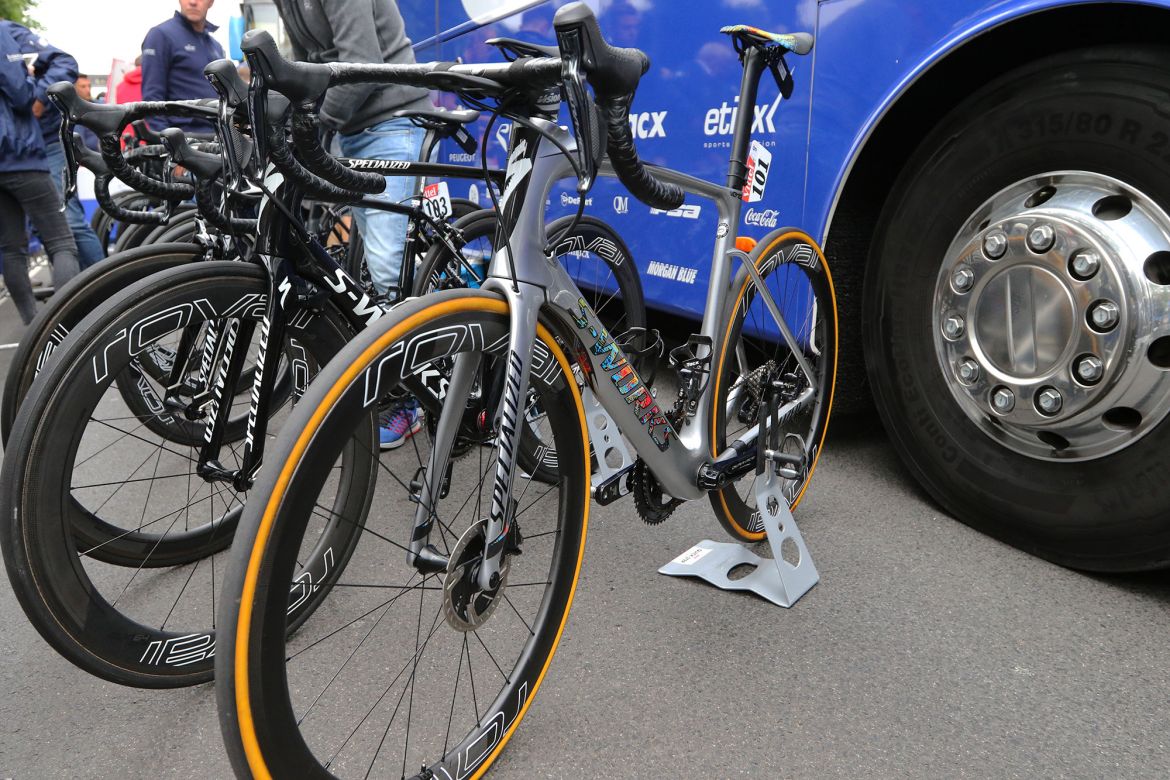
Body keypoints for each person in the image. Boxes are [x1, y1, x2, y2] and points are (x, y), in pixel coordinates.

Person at [272, 0, 433, 449]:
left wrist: (314, 121)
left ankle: (409, 400)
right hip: (352, 128)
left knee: (388, 267)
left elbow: (361, 59)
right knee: (374, 260)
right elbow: (302, 66)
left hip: (393, 119)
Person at [0, 20, 105, 269]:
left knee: (69, 223)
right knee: (36, 234)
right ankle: (71, 295)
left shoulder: (9, 31)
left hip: (46, 141)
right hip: (13, 151)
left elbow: (64, 62)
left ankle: (110, 291)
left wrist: (39, 97)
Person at [0, 24, 79, 325]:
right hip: (18, 153)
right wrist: (31, 82)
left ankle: (33, 328)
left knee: (11, 248)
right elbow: (21, 95)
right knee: (61, 242)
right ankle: (61, 328)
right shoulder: (3, 31)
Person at [141, 0, 224, 132]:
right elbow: (152, 99)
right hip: (183, 139)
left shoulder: (216, 46)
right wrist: (169, 143)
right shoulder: (161, 35)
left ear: (211, 2)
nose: (192, 2)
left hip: (217, 138)